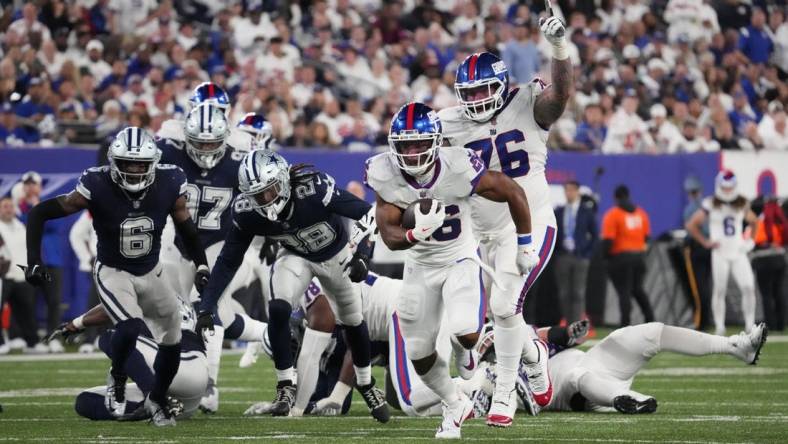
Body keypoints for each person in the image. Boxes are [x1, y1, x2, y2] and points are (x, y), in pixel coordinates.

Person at [367, 101, 540, 438]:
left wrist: (524, 244)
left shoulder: (458, 166)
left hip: (459, 257)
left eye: (420, 143)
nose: (413, 152)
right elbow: (389, 235)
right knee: (418, 351)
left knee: (466, 331)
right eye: (406, 144)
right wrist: (416, 233)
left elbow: (513, 191)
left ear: (435, 141)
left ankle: (465, 351)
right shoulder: (383, 172)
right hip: (419, 265)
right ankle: (454, 402)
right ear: (393, 145)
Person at [437, 10, 573, 427]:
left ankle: (505, 393)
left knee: (503, 304)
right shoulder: (448, 123)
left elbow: (560, 96)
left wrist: (558, 49)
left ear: (500, 86)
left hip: (531, 223)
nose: (476, 100)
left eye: (483, 91)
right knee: (483, 320)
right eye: (469, 93)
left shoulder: (526, 102)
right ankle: (535, 358)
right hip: (483, 235)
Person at [24, 127, 208, 426]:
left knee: (172, 339)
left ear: (153, 163)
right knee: (129, 327)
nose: (135, 171)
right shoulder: (96, 183)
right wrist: (33, 260)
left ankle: (157, 399)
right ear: (113, 162)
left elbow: (186, 226)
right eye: (127, 163)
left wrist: (201, 264)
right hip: (114, 270)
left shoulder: (170, 181)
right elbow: (39, 213)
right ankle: (119, 375)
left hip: (152, 270)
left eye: (141, 164)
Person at [195, 149, 389, 422]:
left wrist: (363, 256)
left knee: (352, 319)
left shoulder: (312, 188)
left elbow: (366, 213)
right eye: (257, 195)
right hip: (296, 257)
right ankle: (285, 386)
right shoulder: (247, 212)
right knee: (278, 307)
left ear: (284, 180)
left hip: (335, 255)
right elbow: (228, 261)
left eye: (270, 190)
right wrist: (206, 306)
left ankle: (367, 384)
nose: (265, 200)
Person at [157, 103, 268, 413]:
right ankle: (266, 335)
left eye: (212, 141)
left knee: (207, 306)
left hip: (221, 243)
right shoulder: (168, 150)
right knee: (178, 313)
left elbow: (267, 190)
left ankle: (209, 385)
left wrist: (269, 235)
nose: (206, 149)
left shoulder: (239, 158)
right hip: (181, 244)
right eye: (200, 141)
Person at [541, 321, 767, 413]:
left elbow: (548, 334)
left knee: (647, 333)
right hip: (564, 390)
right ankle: (625, 398)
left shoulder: (516, 329)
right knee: (577, 376)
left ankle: (736, 346)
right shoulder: (506, 366)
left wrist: (570, 333)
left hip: (592, 361)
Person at [51, 300, 208, 420]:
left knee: (111, 337)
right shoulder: (179, 287)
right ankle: (158, 406)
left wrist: (76, 324)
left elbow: (109, 307)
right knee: (85, 401)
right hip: (191, 393)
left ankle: (152, 397)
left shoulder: (149, 280)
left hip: (183, 360)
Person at [686, 171, 758, 336]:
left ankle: (750, 324)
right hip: (720, 252)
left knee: (748, 287)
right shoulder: (710, 203)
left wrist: (750, 242)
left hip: (738, 251)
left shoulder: (741, 202)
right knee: (720, 290)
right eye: (724, 188)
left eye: (729, 188)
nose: (726, 192)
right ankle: (720, 326)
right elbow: (691, 225)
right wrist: (706, 242)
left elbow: (754, 221)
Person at [601, 185, 655, 327]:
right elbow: (647, 238)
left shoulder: (613, 214)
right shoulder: (641, 213)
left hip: (621, 258)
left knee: (624, 292)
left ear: (615, 198)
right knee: (638, 290)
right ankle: (650, 319)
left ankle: (625, 324)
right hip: (638, 257)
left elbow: (608, 241)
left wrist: (605, 258)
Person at [0, 196, 44, 354]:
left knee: (26, 312)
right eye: (5, 206)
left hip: (20, 275)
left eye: (10, 206)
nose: (8, 209)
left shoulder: (20, 226)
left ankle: (32, 343)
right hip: (3, 277)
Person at [554, 181, 597, 324]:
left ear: (578, 191)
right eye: (566, 190)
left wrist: (587, 253)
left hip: (580, 257)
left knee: (578, 293)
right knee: (564, 293)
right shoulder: (559, 211)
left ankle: (577, 324)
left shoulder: (586, 211)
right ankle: (568, 322)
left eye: (572, 190)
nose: (569, 193)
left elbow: (595, 235)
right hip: (563, 256)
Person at [750, 197, 786, 332]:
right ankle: (781, 324)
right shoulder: (780, 220)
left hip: (764, 260)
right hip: (780, 259)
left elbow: (752, 241)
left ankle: (770, 323)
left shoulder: (760, 221)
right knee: (779, 292)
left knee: (766, 294)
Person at [682, 176, 712, 330]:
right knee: (707, 285)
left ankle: (701, 321)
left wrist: (703, 242)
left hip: (697, 247)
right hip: (711, 249)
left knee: (698, 287)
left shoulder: (691, 209)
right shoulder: (708, 205)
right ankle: (709, 319)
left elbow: (691, 229)